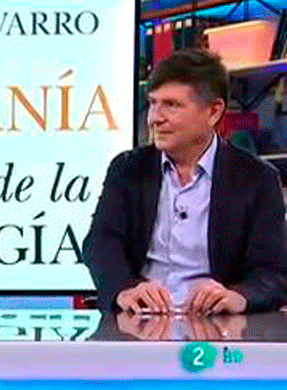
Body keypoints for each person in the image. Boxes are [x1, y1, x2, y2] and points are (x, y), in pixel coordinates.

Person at [84, 49, 287, 314]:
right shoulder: (128, 169)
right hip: (141, 320)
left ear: (213, 111)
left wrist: (240, 297)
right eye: (153, 103)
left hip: (217, 324)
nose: (155, 118)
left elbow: (274, 274)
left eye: (171, 105)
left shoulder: (257, 179)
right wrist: (124, 290)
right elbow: (100, 243)